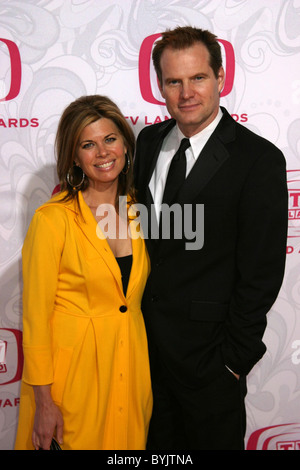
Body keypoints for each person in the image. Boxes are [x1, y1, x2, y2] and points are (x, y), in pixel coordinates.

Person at [134, 26, 288, 450]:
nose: (186, 92)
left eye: (198, 77)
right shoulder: (147, 142)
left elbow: (261, 273)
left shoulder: (258, 160)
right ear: (160, 87)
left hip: (210, 364)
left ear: (220, 78)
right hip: (143, 356)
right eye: (173, 81)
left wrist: (232, 362)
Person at [14, 95, 152, 450]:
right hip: (71, 381)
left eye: (110, 139)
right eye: (87, 145)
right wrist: (44, 402)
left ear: (125, 143)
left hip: (131, 368)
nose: (103, 153)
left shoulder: (142, 211)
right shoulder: (52, 219)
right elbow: (36, 318)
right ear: (74, 157)